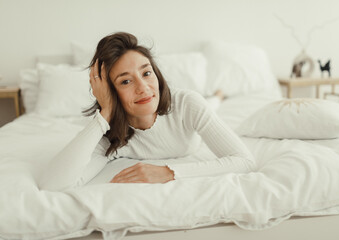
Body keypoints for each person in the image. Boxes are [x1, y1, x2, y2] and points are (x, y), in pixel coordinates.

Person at [39, 32, 256, 191]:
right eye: (125, 81)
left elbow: (244, 161)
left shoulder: (187, 104)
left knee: (211, 103)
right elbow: (52, 184)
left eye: (146, 73)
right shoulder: (110, 137)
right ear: (109, 91)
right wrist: (105, 113)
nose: (143, 88)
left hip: (195, 109)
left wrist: (168, 172)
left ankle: (218, 96)